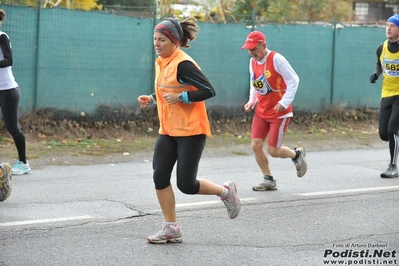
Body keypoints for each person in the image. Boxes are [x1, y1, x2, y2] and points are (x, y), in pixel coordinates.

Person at [137, 17, 241, 244]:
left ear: (174, 40)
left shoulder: (183, 63)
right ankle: (171, 227)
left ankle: (225, 192)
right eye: (155, 39)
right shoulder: (162, 62)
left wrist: (181, 97)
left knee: (186, 184)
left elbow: (209, 90)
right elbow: (170, 88)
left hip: (191, 132)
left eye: (162, 39)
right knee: (160, 176)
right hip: (168, 131)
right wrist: (153, 99)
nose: (157, 43)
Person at [241, 31, 307, 191]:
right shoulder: (252, 62)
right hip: (262, 111)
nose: (251, 53)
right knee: (256, 145)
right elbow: (254, 83)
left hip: (280, 112)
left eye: (254, 49)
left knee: (274, 151)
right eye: (249, 50)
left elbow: (294, 80)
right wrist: (252, 100)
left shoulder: (277, 59)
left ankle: (296, 155)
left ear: (264, 46)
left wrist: (284, 102)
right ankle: (268, 179)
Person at [0, 9, 31, 175]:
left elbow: (8, 60)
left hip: (8, 91)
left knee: (13, 127)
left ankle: (23, 163)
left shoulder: (2, 36)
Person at [369, 15, 399, 178]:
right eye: (387, 25)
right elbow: (379, 63)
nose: (388, 28)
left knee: (392, 129)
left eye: (393, 26)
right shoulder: (382, 47)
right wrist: (376, 74)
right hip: (387, 94)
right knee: (384, 133)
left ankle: (393, 166)